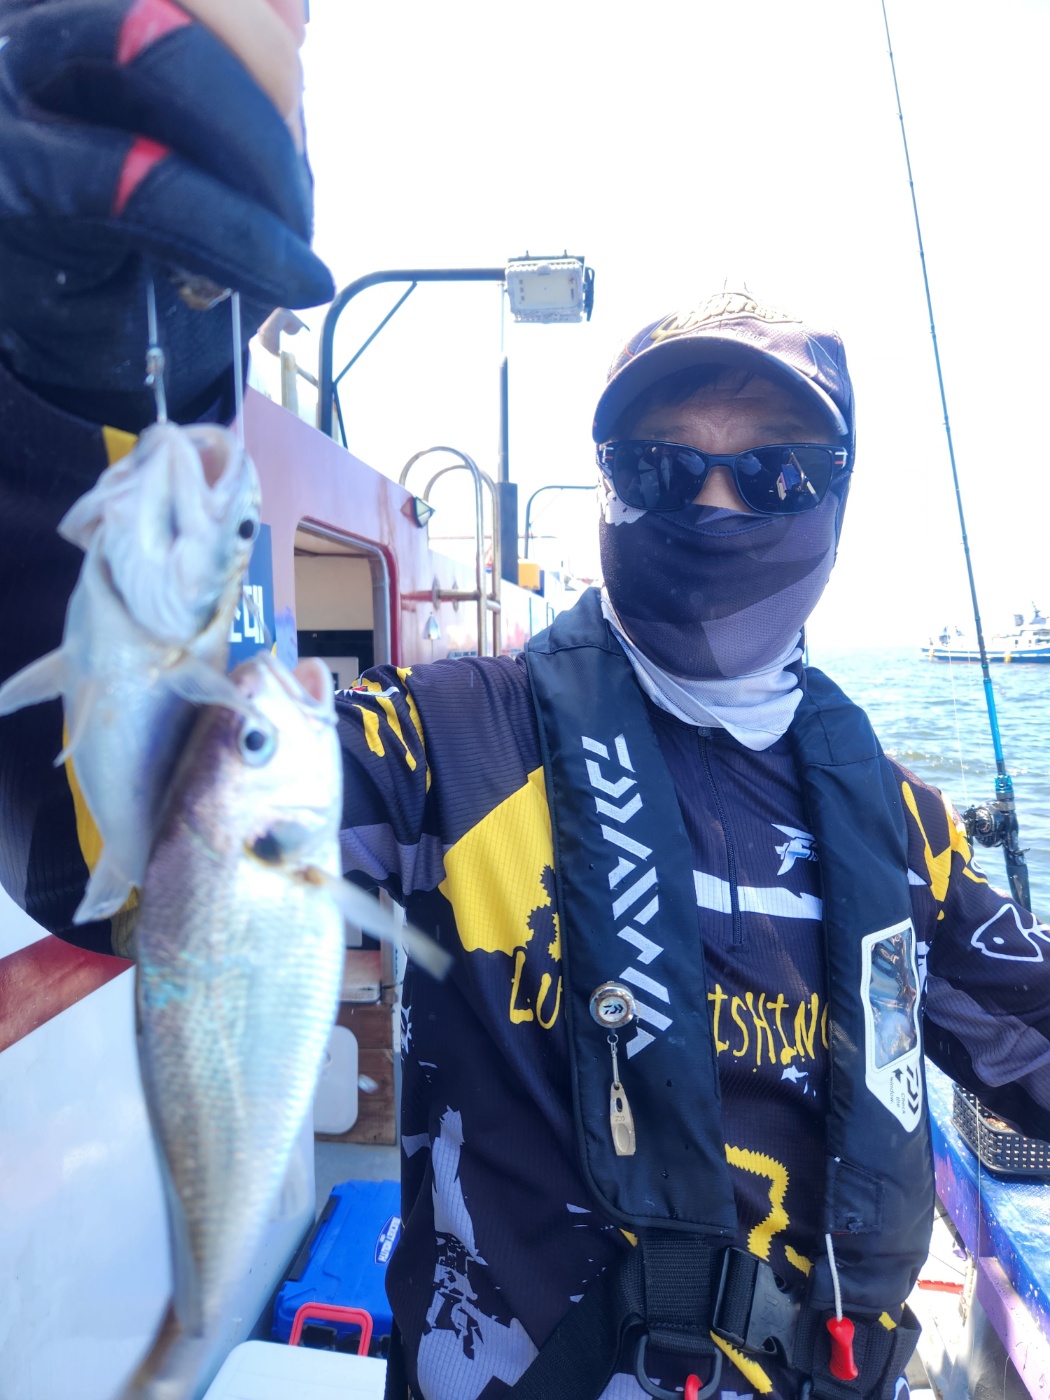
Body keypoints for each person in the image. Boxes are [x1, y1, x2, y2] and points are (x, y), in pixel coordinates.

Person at [1, 13, 1048, 1400]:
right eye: (659, 467)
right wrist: (66, 383)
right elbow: (109, 845)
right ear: (608, 488)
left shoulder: (907, 834)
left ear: (837, 499)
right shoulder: (444, 738)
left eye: (775, 473)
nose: (714, 502)